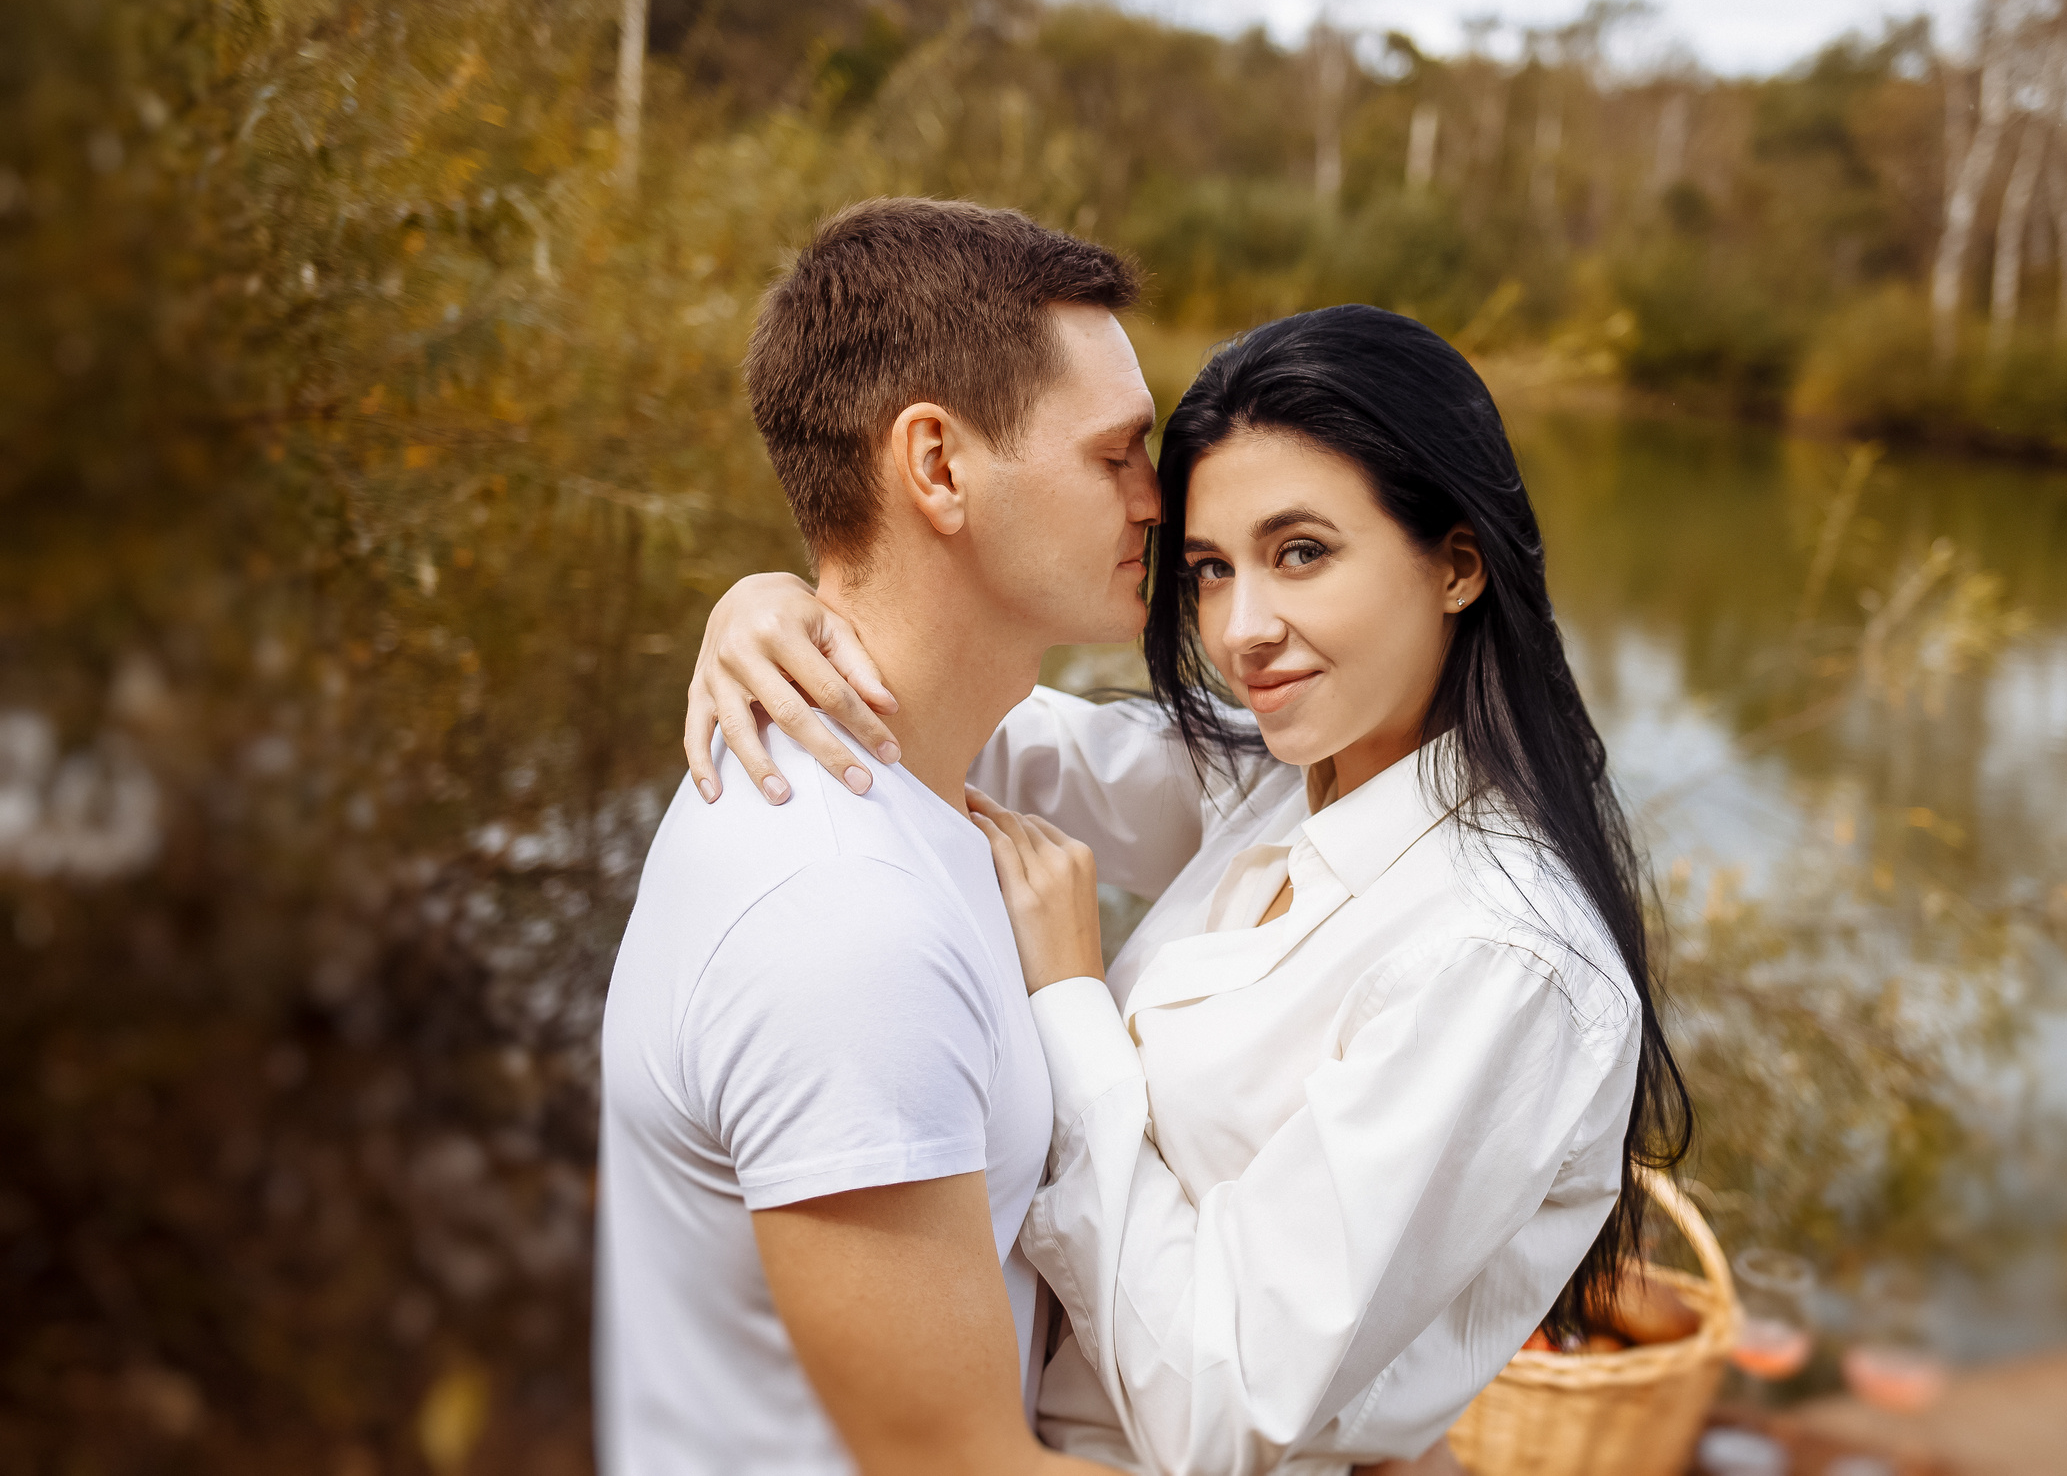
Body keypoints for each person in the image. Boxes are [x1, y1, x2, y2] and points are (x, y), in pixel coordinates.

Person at [685, 305, 1693, 1475]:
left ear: (1457, 563)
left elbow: (1225, 1410)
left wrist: (1068, 1000)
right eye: (1211, 570)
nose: (1241, 631)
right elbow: (957, 718)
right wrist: (773, 610)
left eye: (1301, 552)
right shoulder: (1282, 778)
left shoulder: (1500, 960)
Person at [595, 197, 1160, 1476]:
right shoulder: (843, 921)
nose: (1156, 498)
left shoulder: (901, 784)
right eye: (1116, 454)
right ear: (940, 466)